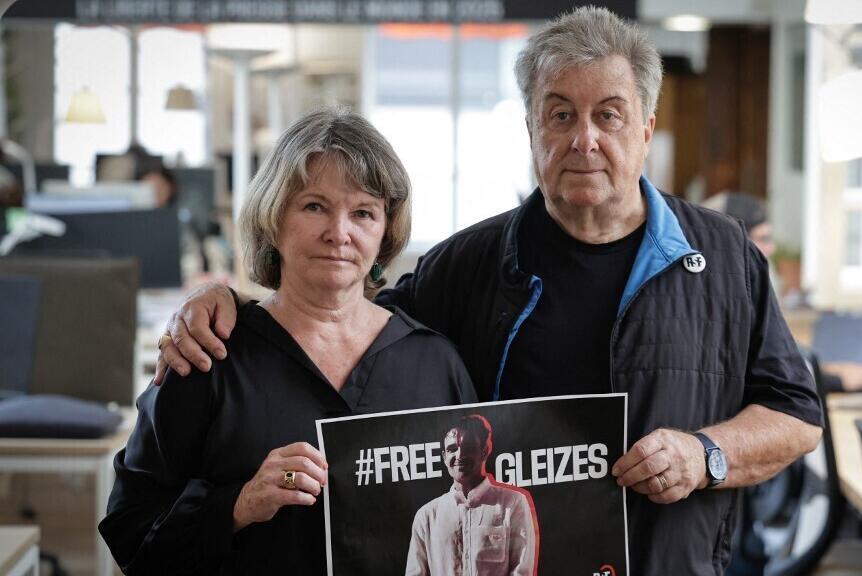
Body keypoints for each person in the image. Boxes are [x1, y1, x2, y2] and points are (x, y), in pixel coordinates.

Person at [155, 8, 822, 574]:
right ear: (532, 129)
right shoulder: (466, 264)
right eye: (560, 114)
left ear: (645, 127)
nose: (584, 139)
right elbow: (340, 329)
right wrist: (232, 307)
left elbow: (796, 415)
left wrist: (706, 455)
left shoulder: (725, 256)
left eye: (608, 116)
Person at [99, 107, 476, 574]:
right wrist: (236, 506)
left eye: (363, 212)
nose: (339, 233)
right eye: (314, 206)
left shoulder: (435, 365)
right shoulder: (208, 354)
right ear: (274, 219)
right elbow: (128, 527)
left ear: (384, 233)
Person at [703, 191, 862, 393]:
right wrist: (836, 381)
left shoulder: (739, 291)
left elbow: (773, 359)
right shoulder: (719, 304)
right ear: (732, 241)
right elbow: (762, 376)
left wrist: (826, 370)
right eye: (763, 238)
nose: (771, 249)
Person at [406, 414, 537, 576]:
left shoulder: (513, 503)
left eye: (467, 447)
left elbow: (521, 571)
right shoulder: (426, 516)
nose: (459, 455)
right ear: (444, 457)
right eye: (452, 449)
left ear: (484, 451)